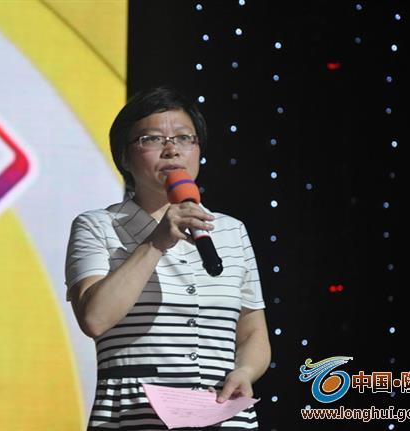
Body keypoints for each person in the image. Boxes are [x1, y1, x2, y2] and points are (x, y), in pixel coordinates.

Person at [65, 86, 271, 430]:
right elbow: (95, 319)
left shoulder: (231, 230)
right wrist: (156, 242)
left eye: (185, 138)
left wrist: (245, 371)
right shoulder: (97, 226)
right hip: (135, 416)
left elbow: (252, 331)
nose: (172, 149)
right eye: (152, 139)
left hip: (224, 416)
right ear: (124, 157)